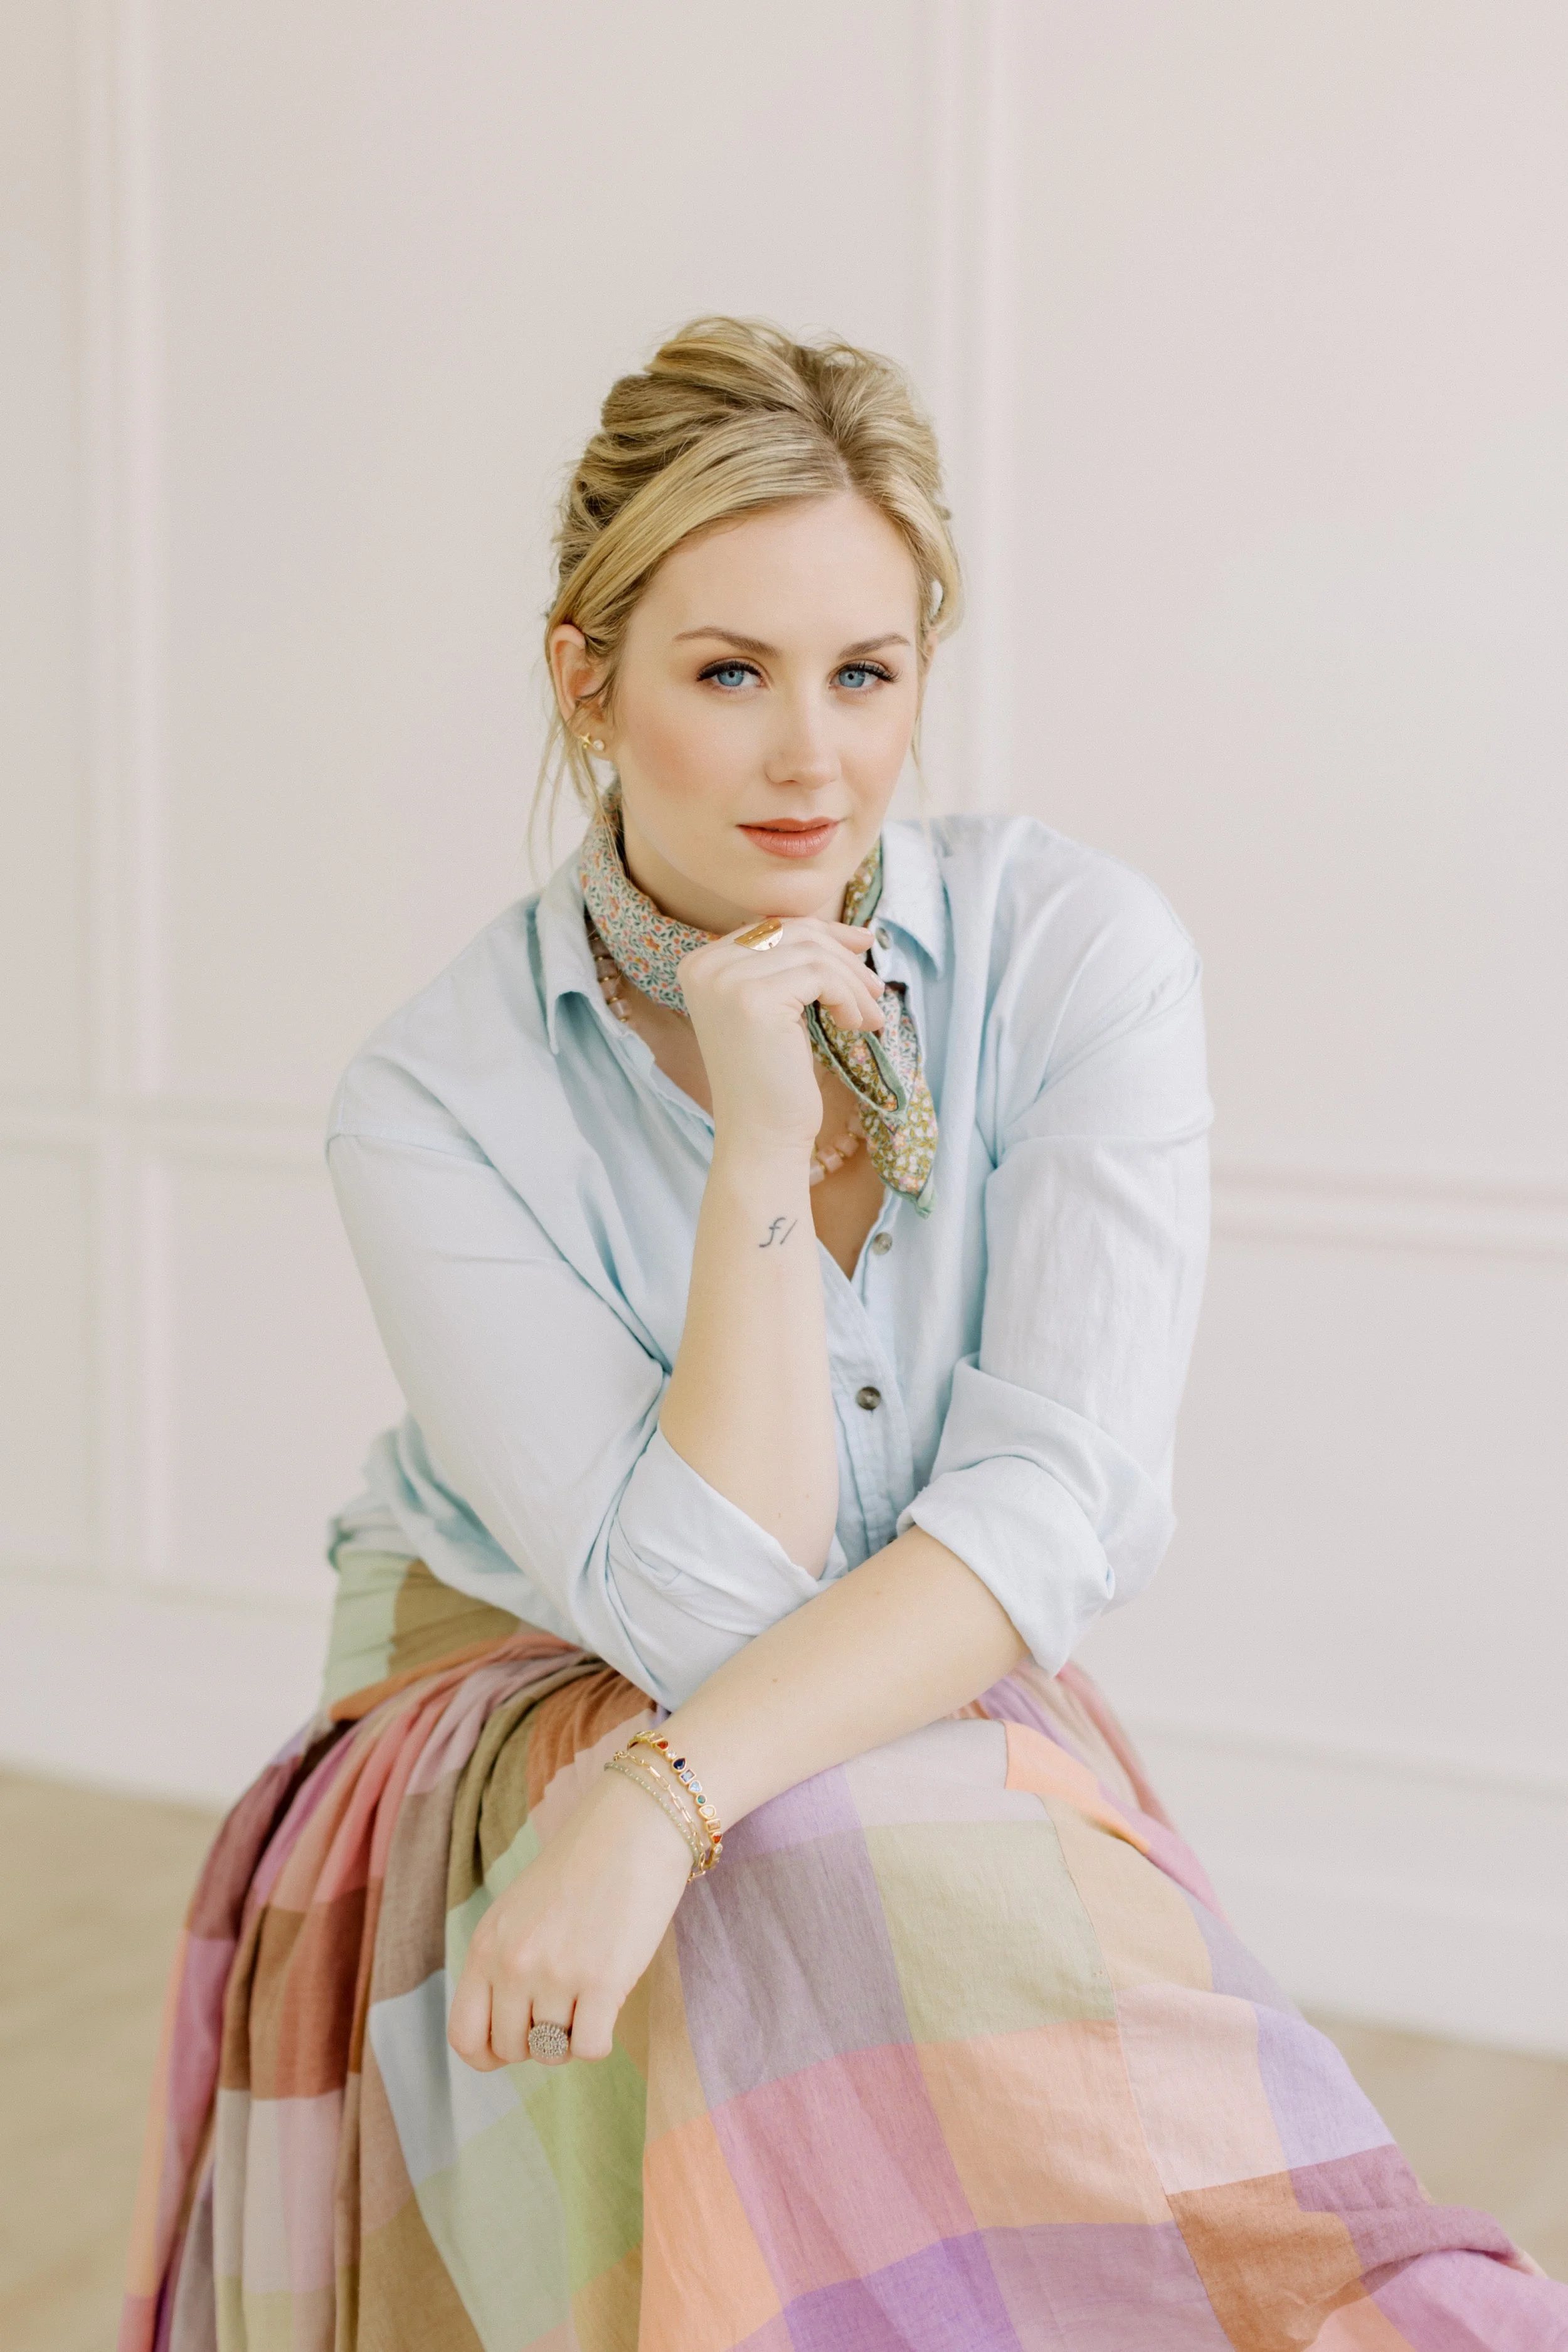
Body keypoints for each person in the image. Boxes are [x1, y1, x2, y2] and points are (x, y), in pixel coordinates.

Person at [123, 319, 1565, 2352]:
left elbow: (1054, 1501)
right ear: (585, 679)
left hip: (836, 1710)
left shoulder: (1068, 955)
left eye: (864, 674)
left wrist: (659, 1806)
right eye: (730, 672)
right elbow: (700, 1607)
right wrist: (755, 1144)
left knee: (846, 1831)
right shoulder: (433, 1098)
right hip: (514, 1696)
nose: (812, 757)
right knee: (828, 1835)